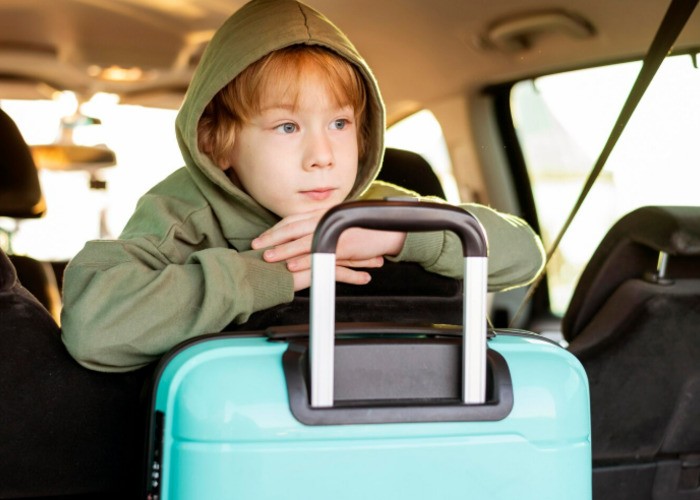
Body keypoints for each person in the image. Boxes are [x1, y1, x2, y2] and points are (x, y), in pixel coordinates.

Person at [61, 0, 545, 372]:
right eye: (288, 127)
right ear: (218, 143)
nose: (322, 156)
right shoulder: (181, 217)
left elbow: (524, 255)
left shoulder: (377, 207)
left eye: (339, 124)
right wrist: (264, 274)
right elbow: (93, 328)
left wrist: (395, 234)